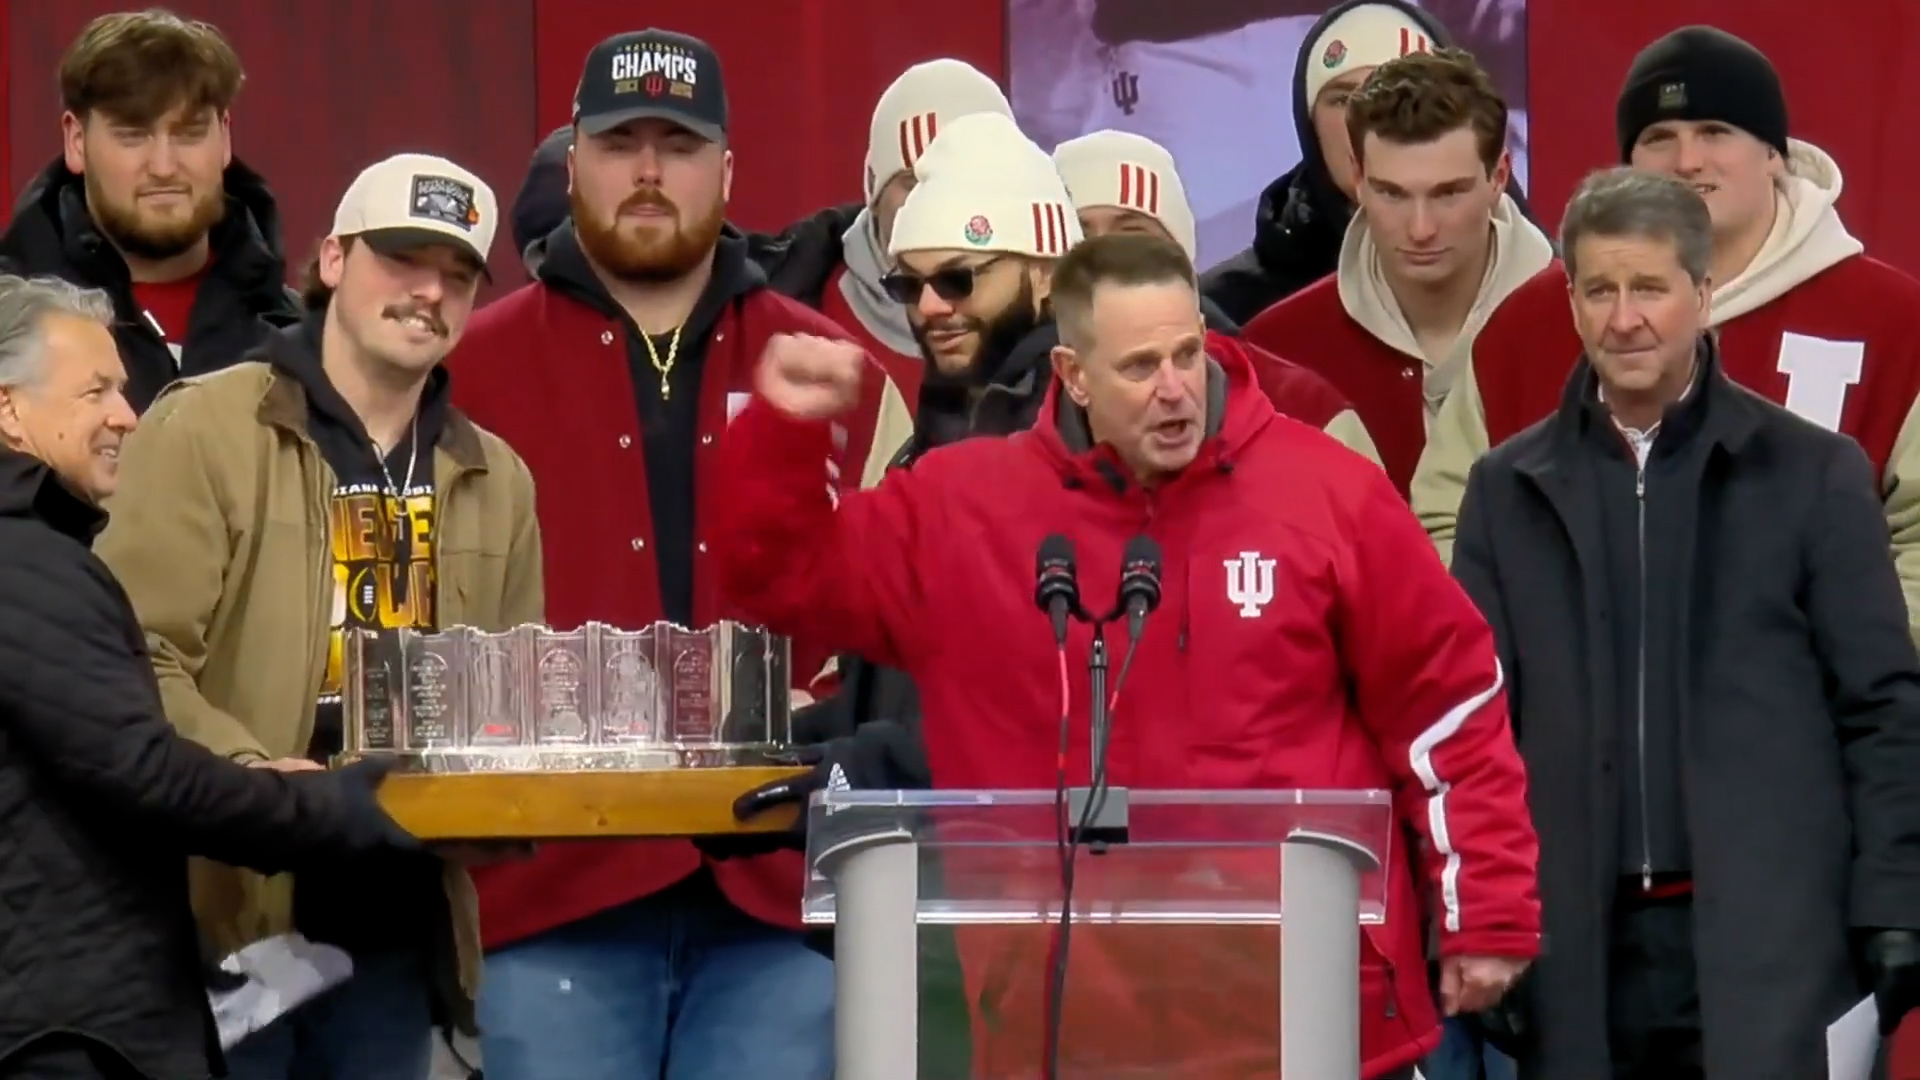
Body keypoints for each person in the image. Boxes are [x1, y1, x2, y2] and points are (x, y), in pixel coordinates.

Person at [719, 231, 1541, 1079]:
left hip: (1311, 1027)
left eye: (1190, 353)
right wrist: (784, 435)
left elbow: (1450, 705)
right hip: (1059, 1033)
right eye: (1142, 366)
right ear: (1073, 374)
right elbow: (785, 582)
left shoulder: (1327, 495)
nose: (1177, 388)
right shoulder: (961, 510)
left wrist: (1485, 911)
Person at [445, 28, 911, 1080]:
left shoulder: (843, 373)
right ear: (571, 165)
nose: (649, 172)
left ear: (729, 170)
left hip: (780, 899)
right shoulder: (464, 375)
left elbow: (893, 646)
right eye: (620, 144)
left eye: (679, 144)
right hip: (549, 894)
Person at [1449, 166, 1920, 1080]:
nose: (1624, 318)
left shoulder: (1814, 475)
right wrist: (1484, 917)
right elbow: (1473, 729)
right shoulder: (1505, 492)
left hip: (1775, 953)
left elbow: (1883, 708)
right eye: (1599, 290)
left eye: (1651, 288)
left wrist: (1895, 899)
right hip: (1574, 956)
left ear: (1704, 297)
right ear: (1573, 301)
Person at [91, 153, 537, 1080]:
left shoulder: (498, 478)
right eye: (403, 259)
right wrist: (263, 781)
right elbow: (136, 656)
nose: (429, 292)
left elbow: (507, 701)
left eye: (457, 275)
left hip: (393, 928)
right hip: (223, 928)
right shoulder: (206, 427)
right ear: (331, 259)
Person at [0, 272, 420, 1080]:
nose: (127, 415)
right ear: (9, 409)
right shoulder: (27, 563)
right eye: (96, 391)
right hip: (64, 1036)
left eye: (123, 389)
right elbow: (138, 771)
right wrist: (321, 804)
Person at [1414, 26, 1920, 596]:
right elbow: (1445, 517)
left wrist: (1846, 657)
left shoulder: (1891, 323)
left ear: (1776, 154)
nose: (1686, 160)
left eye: (1714, 132)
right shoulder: (1531, 321)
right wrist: (1526, 645)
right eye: (1659, 137)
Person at [1240, 48, 1551, 501]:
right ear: (1359, 179)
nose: (1421, 229)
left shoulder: (1583, 324)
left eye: (1448, 194)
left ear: (1500, 176)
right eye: (1392, 194)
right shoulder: (1277, 350)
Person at [0, 10, 297, 414]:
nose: (163, 166)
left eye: (189, 133)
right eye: (133, 135)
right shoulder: (8, 326)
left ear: (225, 136)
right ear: (75, 140)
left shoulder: (307, 337)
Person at [1052, 127, 1384, 465]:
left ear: (1180, 252)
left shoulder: (1302, 411)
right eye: (1078, 234)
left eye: (1131, 234)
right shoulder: (1009, 420)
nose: (1102, 255)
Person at [1198, 0, 1530, 324]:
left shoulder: (1558, 289)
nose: (1366, 120)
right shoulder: (1230, 308)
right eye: (1343, 99)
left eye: (1399, 97)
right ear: (1308, 121)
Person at [751, 59, 1017, 407]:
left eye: (965, 180)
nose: (938, 205)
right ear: (873, 190)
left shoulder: (1059, 330)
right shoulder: (791, 314)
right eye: (915, 182)